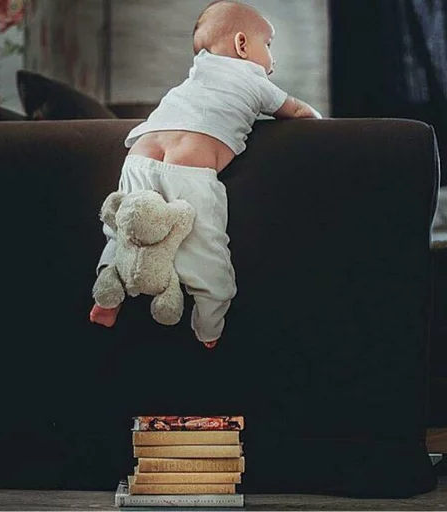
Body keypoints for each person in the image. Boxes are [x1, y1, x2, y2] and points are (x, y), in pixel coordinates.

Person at [90, 0, 322, 348]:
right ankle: (209, 325)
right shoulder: (254, 79)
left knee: (122, 231)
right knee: (204, 248)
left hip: (139, 152)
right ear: (242, 45)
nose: (272, 57)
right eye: (268, 44)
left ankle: (107, 297)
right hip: (188, 166)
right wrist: (324, 126)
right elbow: (300, 112)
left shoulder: (195, 75)